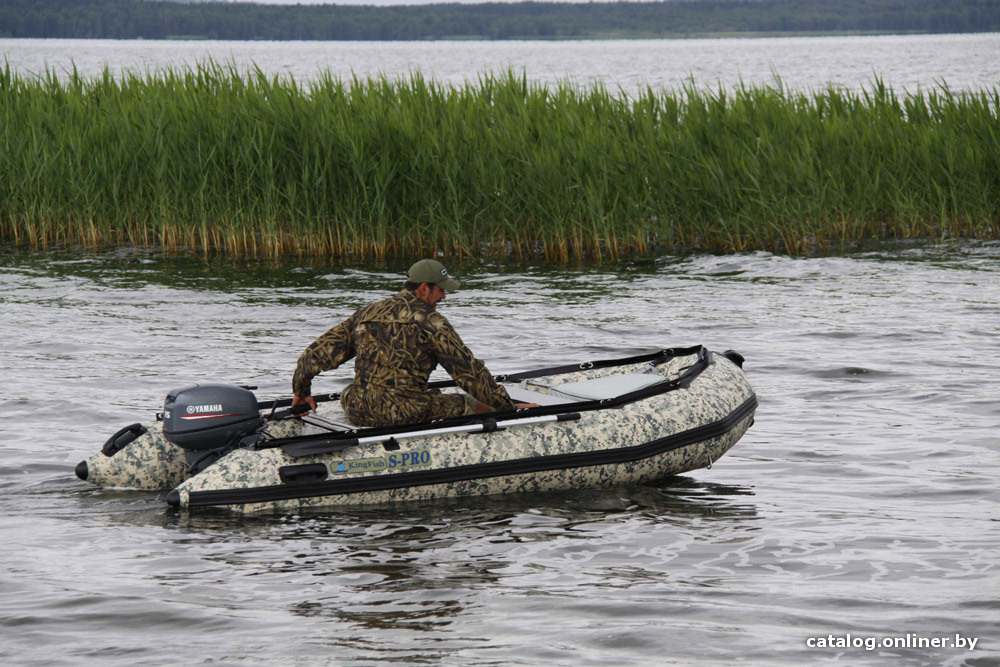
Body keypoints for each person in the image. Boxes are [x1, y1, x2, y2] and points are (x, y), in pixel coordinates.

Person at [291, 259, 533, 427]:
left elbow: (314, 355)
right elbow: (470, 374)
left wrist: (301, 392)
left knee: (352, 390)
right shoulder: (431, 322)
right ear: (424, 288)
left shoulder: (367, 313)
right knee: (471, 402)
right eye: (441, 290)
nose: (444, 296)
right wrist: (509, 406)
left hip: (357, 408)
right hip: (402, 412)